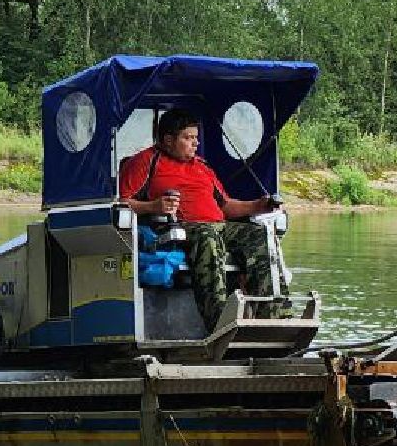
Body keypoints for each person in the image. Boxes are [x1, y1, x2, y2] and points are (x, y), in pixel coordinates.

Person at [118, 108, 285, 329]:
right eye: (188, 138)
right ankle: (220, 320)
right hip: (179, 229)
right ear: (168, 140)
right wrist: (153, 206)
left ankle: (273, 315)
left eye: (196, 138)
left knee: (259, 234)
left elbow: (226, 206)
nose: (195, 143)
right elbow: (121, 201)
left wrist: (259, 205)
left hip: (218, 225)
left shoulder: (202, 166)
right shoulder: (146, 162)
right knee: (208, 236)